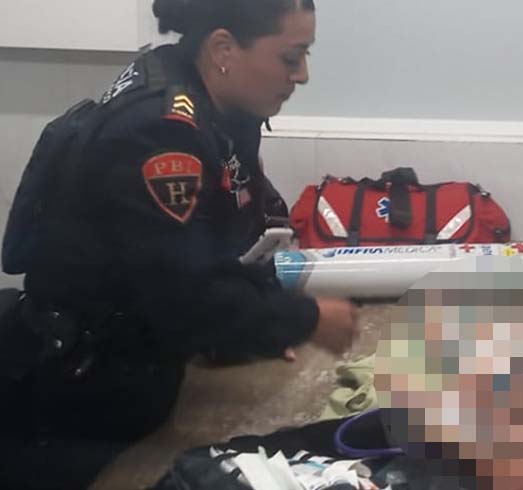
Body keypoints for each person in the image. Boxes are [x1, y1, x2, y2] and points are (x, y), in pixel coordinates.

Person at [0, 0, 359, 488]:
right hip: (81, 400)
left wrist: (259, 316)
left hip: (133, 370)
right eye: (290, 58)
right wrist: (307, 320)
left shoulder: (208, 99)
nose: (302, 76)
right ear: (223, 49)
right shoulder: (161, 131)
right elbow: (184, 294)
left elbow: (205, 250)